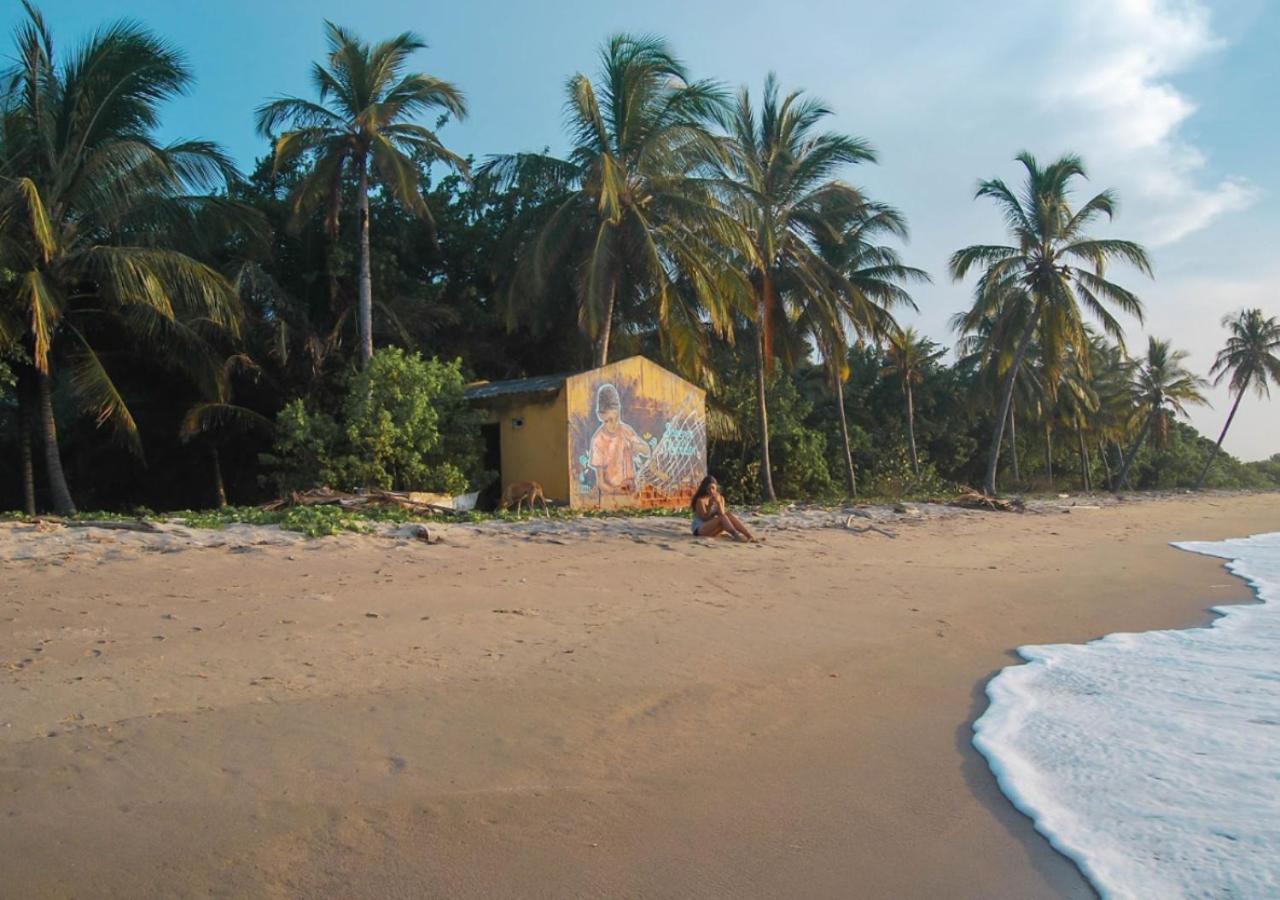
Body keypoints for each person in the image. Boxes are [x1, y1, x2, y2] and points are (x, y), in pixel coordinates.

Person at [588, 383, 651, 494]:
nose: (612, 425)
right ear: (600, 416)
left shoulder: (626, 431)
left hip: (631, 489)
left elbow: (647, 450)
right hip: (613, 495)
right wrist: (616, 491)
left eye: (615, 419)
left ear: (619, 412)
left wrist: (636, 446)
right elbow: (600, 483)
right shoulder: (598, 441)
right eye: (607, 421)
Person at [690, 475, 756, 542]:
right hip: (700, 528)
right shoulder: (700, 500)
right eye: (708, 489)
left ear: (716, 487)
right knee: (721, 518)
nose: (711, 491)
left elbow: (722, 513)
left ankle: (748, 535)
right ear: (705, 489)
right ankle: (736, 535)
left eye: (713, 488)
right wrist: (710, 505)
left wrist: (719, 503)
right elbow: (705, 518)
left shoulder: (720, 498)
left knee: (728, 515)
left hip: (713, 529)